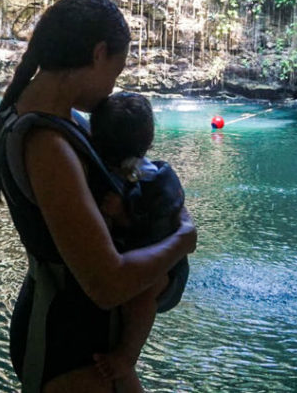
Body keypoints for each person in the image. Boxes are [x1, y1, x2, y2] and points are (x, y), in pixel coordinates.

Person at [0, 0, 197, 393]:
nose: (114, 86)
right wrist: (183, 239)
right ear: (98, 54)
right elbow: (107, 283)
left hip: (81, 337)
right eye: (116, 71)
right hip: (69, 346)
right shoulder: (48, 145)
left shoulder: (61, 122)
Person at [87, 91, 189, 389]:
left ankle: (127, 356)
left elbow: (162, 227)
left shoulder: (155, 177)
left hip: (167, 270)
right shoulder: (108, 172)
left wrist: (125, 218)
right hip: (138, 261)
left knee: (144, 295)